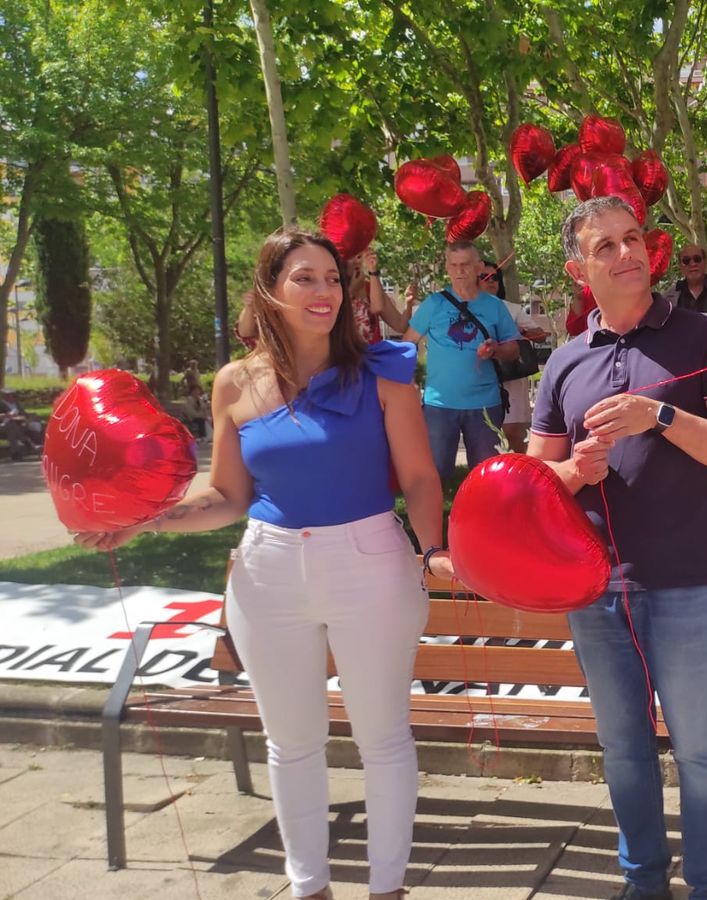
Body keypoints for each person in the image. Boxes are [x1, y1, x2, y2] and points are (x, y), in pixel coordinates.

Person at [74, 227, 450, 900]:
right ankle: (309, 888)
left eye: (332, 278)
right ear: (270, 291)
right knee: (292, 743)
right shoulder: (234, 384)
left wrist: (435, 548)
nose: (324, 291)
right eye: (304, 278)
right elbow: (228, 495)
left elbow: (421, 478)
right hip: (268, 572)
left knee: (382, 737)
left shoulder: (383, 372)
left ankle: (388, 889)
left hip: (370, 562)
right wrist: (146, 519)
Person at [529, 195, 707, 900]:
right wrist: (574, 471)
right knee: (625, 753)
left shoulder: (702, 337)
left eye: (634, 238)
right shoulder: (564, 363)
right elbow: (537, 479)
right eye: (606, 246)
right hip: (596, 591)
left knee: (700, 751)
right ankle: (643, 884)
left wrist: (659, 416)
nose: (627, 253)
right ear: (580, 270)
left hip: (688, 583)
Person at [402, 240, 522, 483]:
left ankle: (483, 521)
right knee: (433, 478)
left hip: (485, 405)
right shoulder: (434, 304)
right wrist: (408, 385)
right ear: (446, 267)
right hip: (439, 405)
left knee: (487, 479)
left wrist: (496, 350)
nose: (459, 271)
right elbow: (407, 344)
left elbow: (514, 350)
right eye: (453, 265)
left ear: (479, 268)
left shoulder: (495, 307)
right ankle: (434, 521)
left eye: (465, 265)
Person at [238, 247, 404, 349]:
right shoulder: (315, 295)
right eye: (353, 256)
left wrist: (374, 273)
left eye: (360, 256)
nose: (357, 262)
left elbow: (388, 316)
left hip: (365, 371)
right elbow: (246, 333)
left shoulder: (369, 286)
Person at [480, 259, 552, 456]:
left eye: (495, 277)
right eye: (484, 277)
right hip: (478, 378)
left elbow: (540, 335)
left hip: (512, 377)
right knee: (483, 434)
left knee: (512, 433)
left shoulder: (512, 309)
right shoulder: (465, 308)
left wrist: (521, 331)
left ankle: (525, 474)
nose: (491, 281)